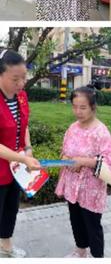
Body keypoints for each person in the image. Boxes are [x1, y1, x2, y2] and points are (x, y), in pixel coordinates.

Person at [55, 86, 111, 258]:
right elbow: (64, 152)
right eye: (74, 106)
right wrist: (66, 158)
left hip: (91, 191)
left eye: (83, 107)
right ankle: (80, 252)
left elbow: (108, 165)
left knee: (93, 227)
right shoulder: (72, 128)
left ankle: (97, 257)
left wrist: (82, 162)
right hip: (72, 186)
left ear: (93, 107)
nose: (78, 112)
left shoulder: (101, 132)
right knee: (76, 221)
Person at [0, 49, 41, 258]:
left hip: (16, 168)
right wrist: (23, 158)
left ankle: (6, 247)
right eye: (15, 79)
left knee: (10, 210)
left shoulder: (21, 97)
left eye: (24, 77)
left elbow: (23, 125)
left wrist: (28, 149)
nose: (21, 83)